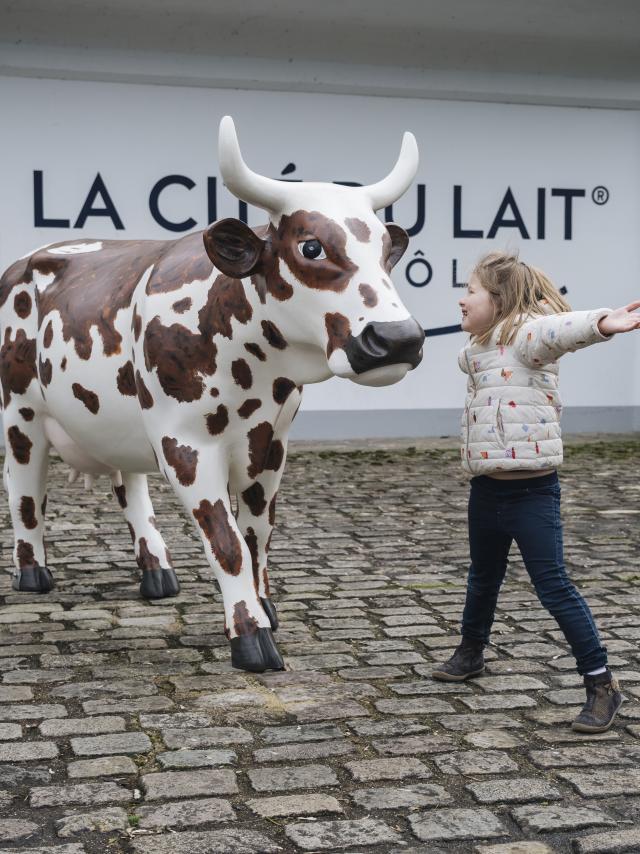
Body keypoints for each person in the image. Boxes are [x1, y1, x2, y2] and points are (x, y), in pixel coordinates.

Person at [432, 250, 640, 733]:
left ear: (501, 299)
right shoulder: (480, 349)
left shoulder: (527, 336)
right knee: (482, 578)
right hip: (485, 492)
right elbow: (468, 354)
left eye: (471, 291)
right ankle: (471, 652)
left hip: (531, 496)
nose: (462, 300)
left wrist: (603, 323)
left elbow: (560, 330)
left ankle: (601, 684)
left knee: (553, 587)